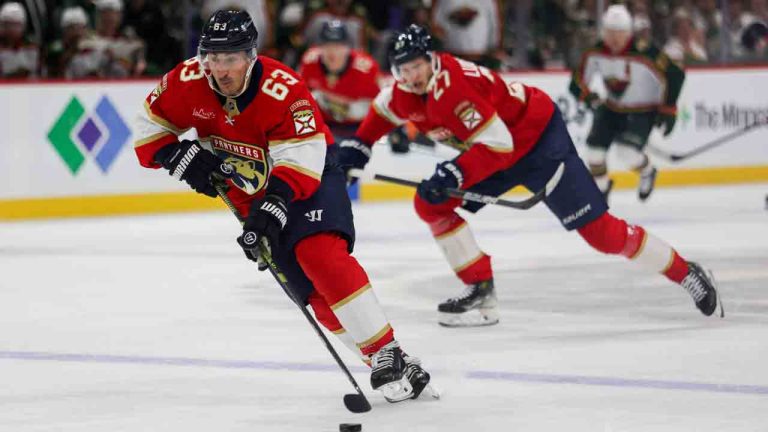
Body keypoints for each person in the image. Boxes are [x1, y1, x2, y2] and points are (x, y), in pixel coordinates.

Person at [337, 24, 722, 328]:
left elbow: (499, 144)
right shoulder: (402, 92)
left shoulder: (454, 88)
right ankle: (480, 290)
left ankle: (686, 272)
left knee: (601, 234)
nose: (412, 76)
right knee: (431, 203)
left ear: (432, 60)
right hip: (496, 149)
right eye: (404, 70)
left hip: (537, 143)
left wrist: (455, 171)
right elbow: (379, 115)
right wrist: (356, 151)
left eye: (417, 66)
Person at [133, 10, 431, 402]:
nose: (220, 69)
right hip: (250, 192)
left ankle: (385, 349)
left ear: (250, 56)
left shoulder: (283, 88)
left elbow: (301, 159)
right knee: (307, 290)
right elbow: (147, 129)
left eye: (230, 58)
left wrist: (274, 204)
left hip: (308, 178)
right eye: (213, 58)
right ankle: (392, 362)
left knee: (318, 254)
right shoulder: (187, 80)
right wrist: (179, 156)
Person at [568, 5, 685, 202]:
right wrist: (588, 97)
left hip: (643, 111)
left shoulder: (645, 51)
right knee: (594, 154)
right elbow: (576, 82)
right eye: (610, 32)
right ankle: (602, 190)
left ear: (629, 32)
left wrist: (668, 109)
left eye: (620, 32)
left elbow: (675, 75)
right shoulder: (595, 52)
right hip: (611, 109)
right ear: (603, 32)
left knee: (627, 153)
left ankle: (647, 171)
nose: (614, 38)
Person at [298, 20, 380, 141]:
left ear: (348, 48)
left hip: (358, 127)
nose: (332, 52)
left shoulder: (366, 69)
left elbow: (381, 107)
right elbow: (299, 96)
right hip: (322, 125)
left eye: (338, 46)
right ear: (319, 47)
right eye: (327, 45)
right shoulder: (310, 61)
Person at [0, 2, 39, 78]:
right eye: (7, 24)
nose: (11, 29)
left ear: (23, 26)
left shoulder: (31, 47)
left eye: (15, 25)